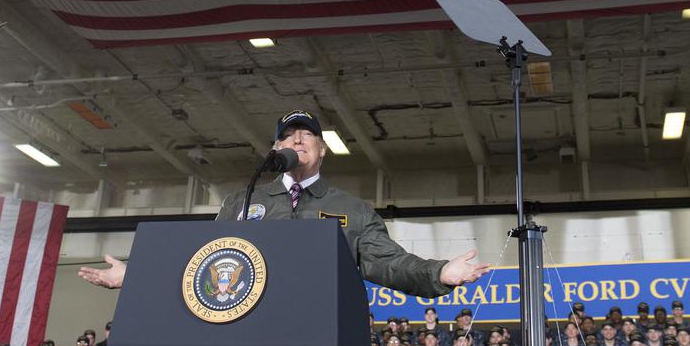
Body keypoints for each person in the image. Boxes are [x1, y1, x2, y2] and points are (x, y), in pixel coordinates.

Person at [79, 110, 491, 299]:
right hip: (237, 331)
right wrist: (135, 275)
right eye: (288, 135)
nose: (297, 139)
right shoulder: (243, 200)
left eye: (306, 134)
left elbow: (390, 264)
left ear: (322, 149)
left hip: (317, 334)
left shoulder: (353, 210)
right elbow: (200, 262)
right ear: (275, 148)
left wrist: (441, 272)